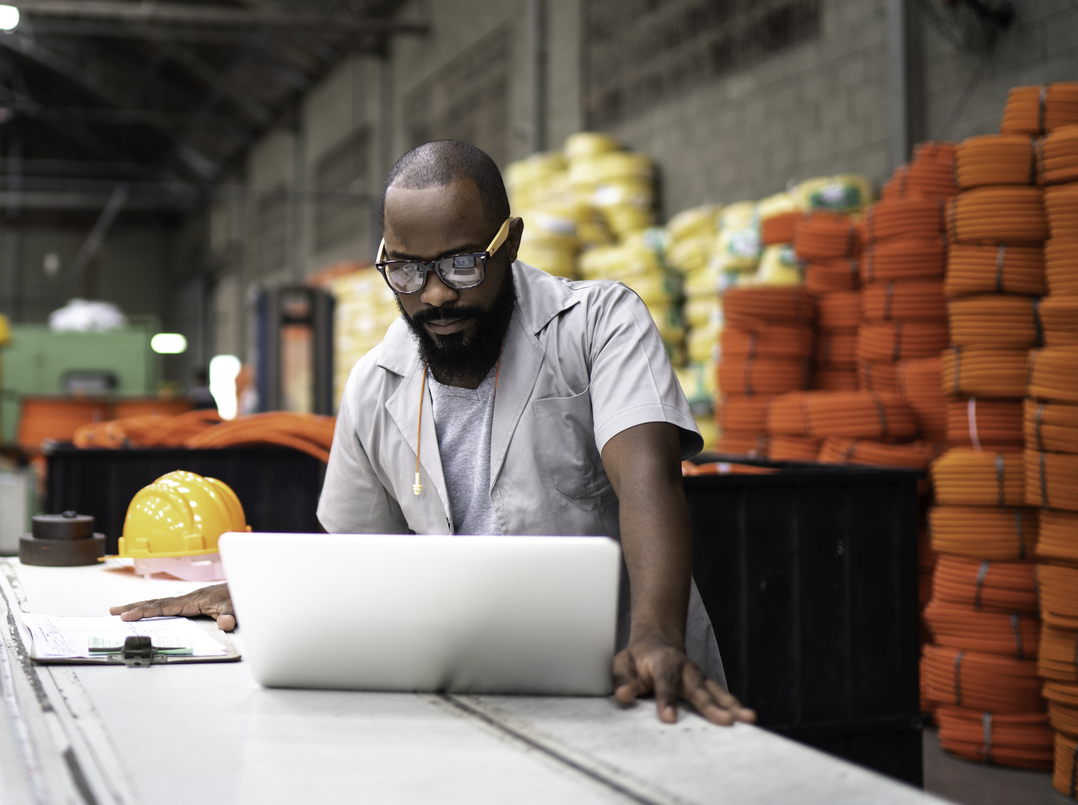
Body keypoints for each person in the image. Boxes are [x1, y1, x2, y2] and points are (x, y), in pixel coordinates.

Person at [113, 140, 754, 727]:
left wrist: (657, 638)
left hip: (631, 684)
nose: (434, 295)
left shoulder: (597, 325)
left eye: (462, 266)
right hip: (471, 695)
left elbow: (649, 483)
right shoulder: (375, 385)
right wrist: (266, 594)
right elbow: (363, 561)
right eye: (407, 271)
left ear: (511, 242)